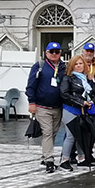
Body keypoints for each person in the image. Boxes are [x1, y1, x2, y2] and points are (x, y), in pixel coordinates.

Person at [25, 42, 66, 173]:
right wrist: (31, 102)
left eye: (57, 52)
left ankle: (45, 155)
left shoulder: (64, 67)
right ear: (46, 53)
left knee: (53, 133)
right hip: (42, 106)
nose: (54, 54)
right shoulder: (40, 66)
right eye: (51, 51)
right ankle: (49, 160)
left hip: (58, 107)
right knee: (47, 132)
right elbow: (31, 85)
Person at [59, 55, 94, 170]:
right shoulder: (67, 78)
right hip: (70, 109)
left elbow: (92, 92)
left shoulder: (86, 79)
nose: (78, 66)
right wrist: (80, 102)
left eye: (80, 63)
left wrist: (91, 100)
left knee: (81, 134)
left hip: (82, 110)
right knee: (71, 136)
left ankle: (82, 158)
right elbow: (64, 94)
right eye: (76, 64)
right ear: (71, 66)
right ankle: (64, 160)